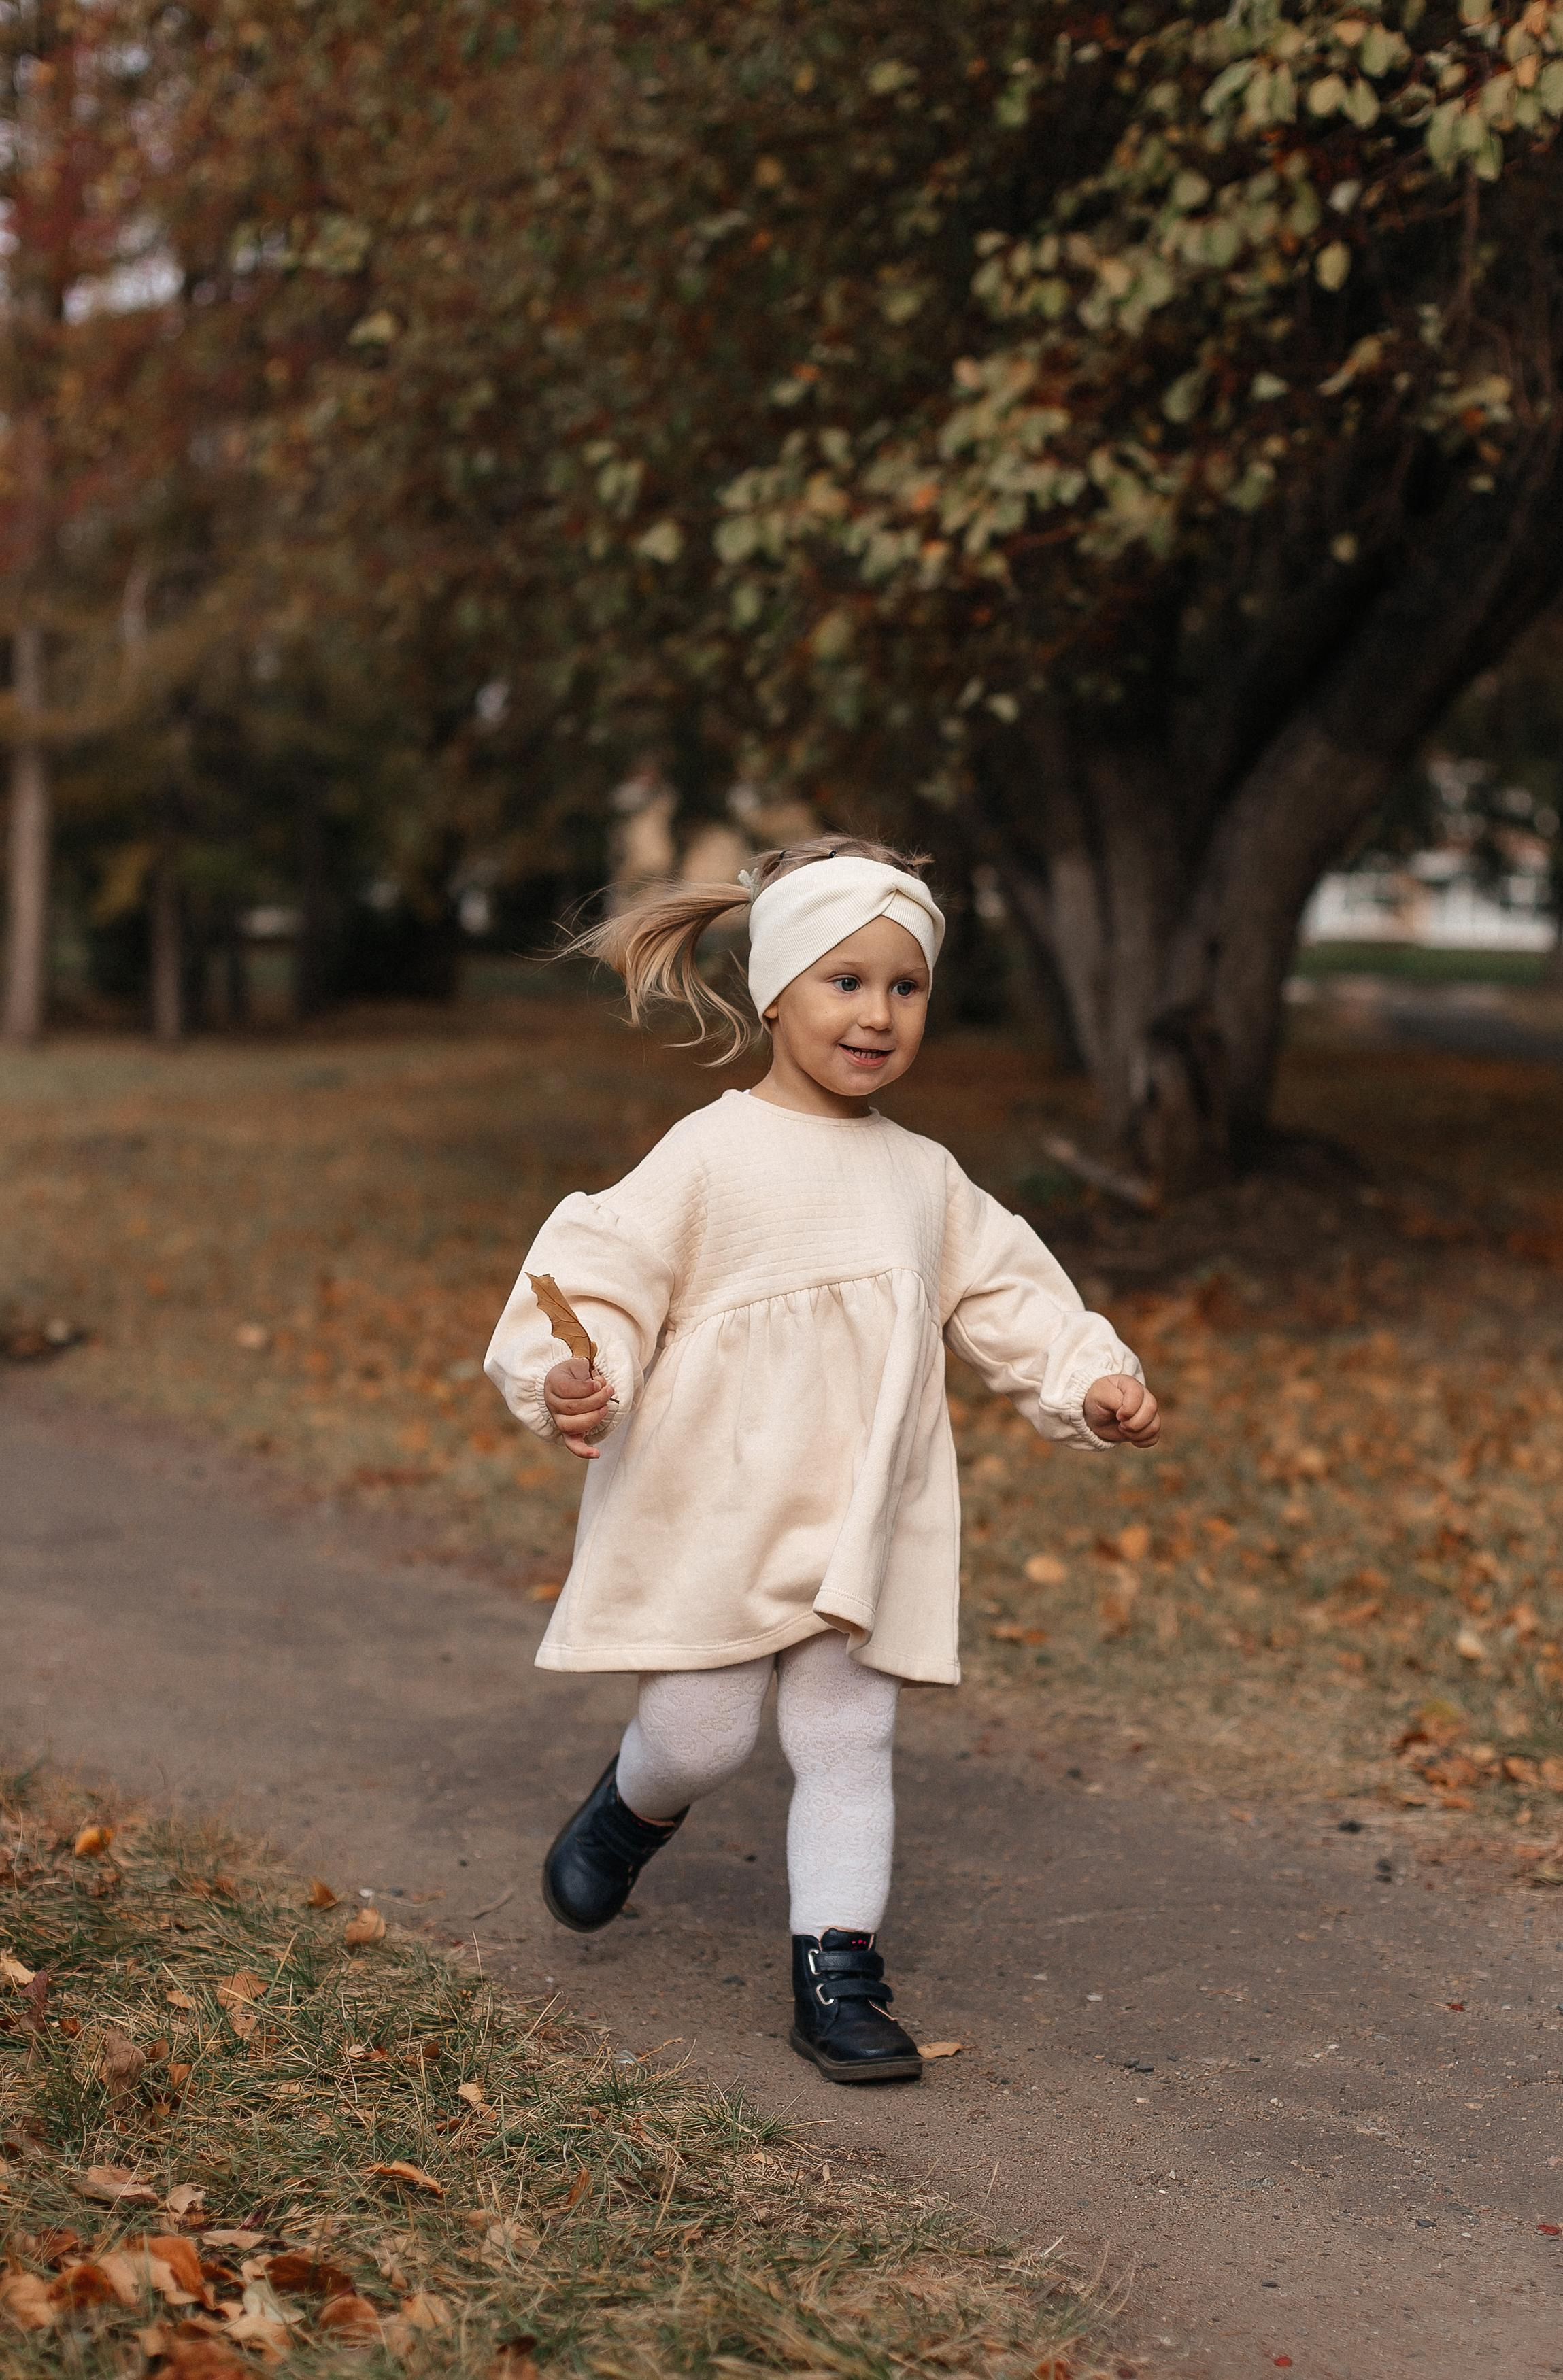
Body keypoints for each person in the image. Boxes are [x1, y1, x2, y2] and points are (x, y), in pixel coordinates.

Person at [484, 837, 1159, 2085]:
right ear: (777, 991)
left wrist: (1088, 1379)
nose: (876, 1014)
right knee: (703, 1732)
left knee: (848, 1735)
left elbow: (1011, 1292)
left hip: (864, 1509)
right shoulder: (710, 1152)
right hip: (718, 1502)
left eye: (905, 987)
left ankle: (836, 1976)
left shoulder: (923, 1178)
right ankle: (634, 1805)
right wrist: (572, 1373)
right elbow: (602, 1275)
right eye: (845, 981)